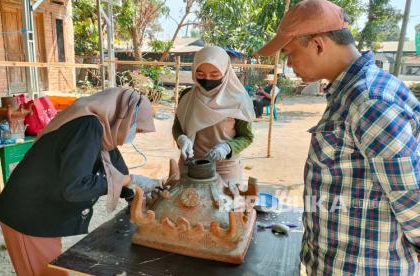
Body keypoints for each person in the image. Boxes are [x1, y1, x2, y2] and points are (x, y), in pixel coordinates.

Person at [256, 0, 420, 274]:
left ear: (318, 44)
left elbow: (410, 195)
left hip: (362, 266)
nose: (289, 63)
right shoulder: (350, 92)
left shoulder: (369, 100)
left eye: (289, 53)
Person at [0, 88, 162, 275]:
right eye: (135, 127)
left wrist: (133, 192)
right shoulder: (88, 125)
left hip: (42, 210)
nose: (134, 134)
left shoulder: (101, 126)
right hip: (28, 216)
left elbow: (113, 162)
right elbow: (75, 187)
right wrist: (127, 180)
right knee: (43, 272)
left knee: (52, 270)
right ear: (125, 116)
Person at [172, 46, 255, 190]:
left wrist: (227, 147)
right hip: (190, 166)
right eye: (201, 74)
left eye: (215, 74)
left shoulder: (238, 100)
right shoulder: (187, 96)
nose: (207, 79)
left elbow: (246, 137)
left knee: (225, 207)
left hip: (224, 168)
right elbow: (177, 127)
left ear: (225, 71)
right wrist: (181, 139)